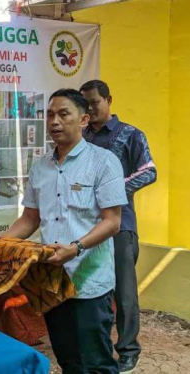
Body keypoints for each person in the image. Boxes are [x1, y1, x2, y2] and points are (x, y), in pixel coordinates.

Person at [0, 89, 127, 374]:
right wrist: (1, 242)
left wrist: (76, 247)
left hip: (89, 283)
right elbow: (30, 218)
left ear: (83, 119)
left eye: (63, 114)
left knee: (96, 364)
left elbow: (112, 221)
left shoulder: (104, 162)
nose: (54, 121)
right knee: (68, 360)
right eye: (50, 114)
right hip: (52, 282)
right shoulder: (41, 166)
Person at [80, 80, 156, 374]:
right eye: (84, 104)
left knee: (124, 292)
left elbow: (149, 171)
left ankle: (128, 350)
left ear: (109, 100)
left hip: (120, 224)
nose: (90, 110)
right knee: (93, 289)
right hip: (86, 225)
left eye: (95, 103)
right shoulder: (82, 138)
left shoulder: (130, 135)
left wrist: (113, 189)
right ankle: (96, 346)